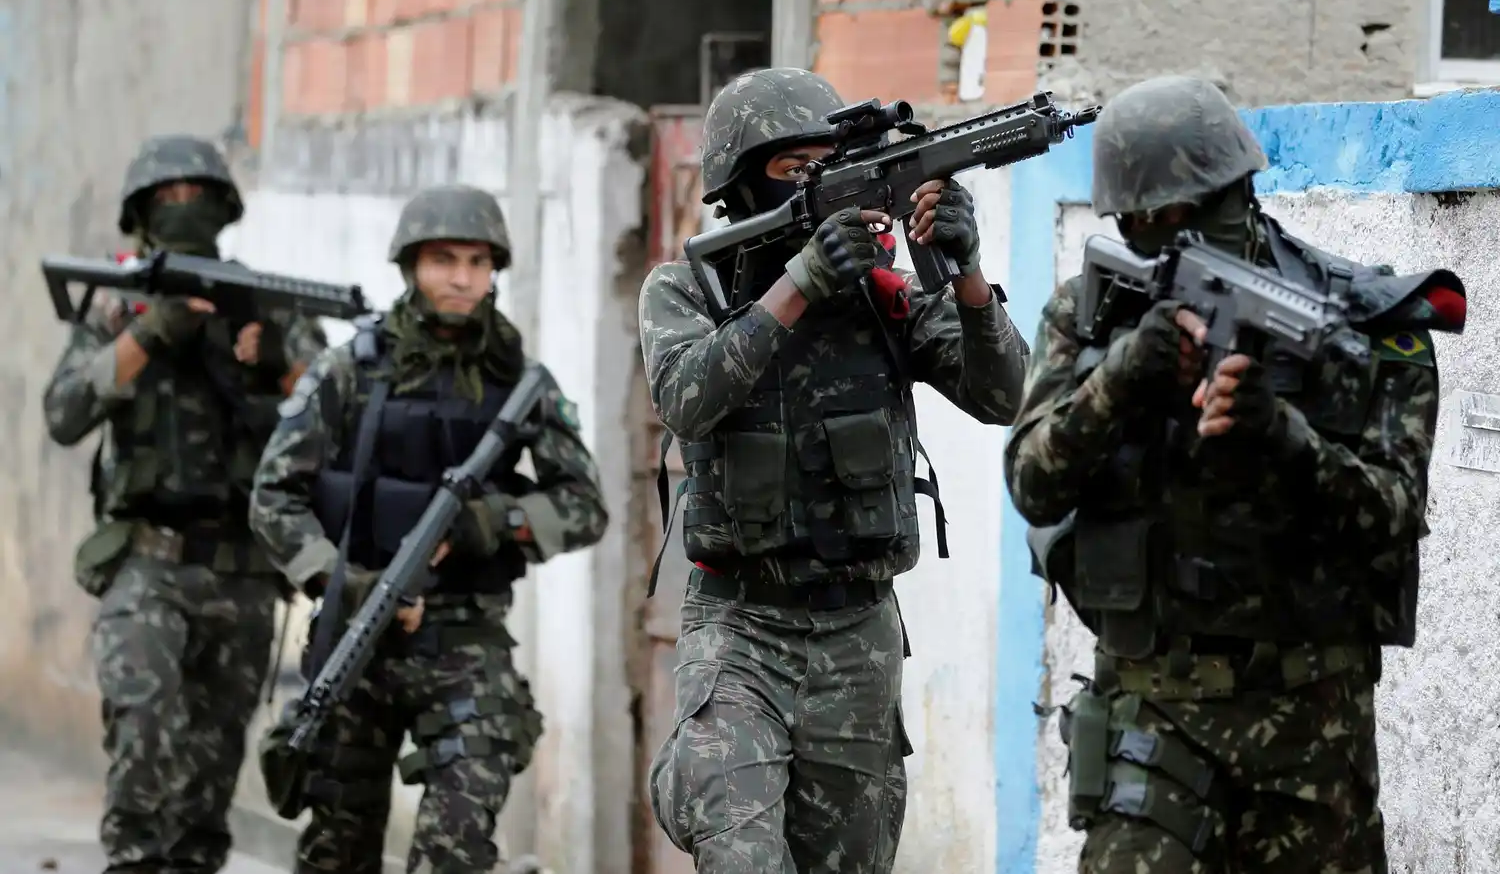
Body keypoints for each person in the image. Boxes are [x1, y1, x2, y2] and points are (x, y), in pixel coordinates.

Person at [1004, 75, 1468, 873]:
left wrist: (1279, 433)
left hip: (1309, 729)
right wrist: (1123, 375)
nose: (1168, 238)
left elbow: (1392, 514)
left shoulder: (1362, 322)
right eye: (1144, 224)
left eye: (1187, 214)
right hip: (1152, 715)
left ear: (1242, 192)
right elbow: (1033, 483)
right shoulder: (1094, 311)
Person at [640, 67, 1031, 873]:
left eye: (833, 164)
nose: (822, 184)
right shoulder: (687, 288)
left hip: (858, 633)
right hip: (740, 626)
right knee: (742, 856)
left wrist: (965, 272)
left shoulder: (885, 291)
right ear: (741, 185)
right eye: (794, 170)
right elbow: (686, 396)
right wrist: (798, 285)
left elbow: (1007, 394)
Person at [248, 183, 609, 874]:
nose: (463, 277)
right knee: (336, 852)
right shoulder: (349, 371)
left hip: (467, 645)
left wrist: (493, 520)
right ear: (411, 264)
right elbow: (273, 496)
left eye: (478, 261)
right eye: (444, 258)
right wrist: (339, 579)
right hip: (356, 640)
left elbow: (586, 504)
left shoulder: (521, 382)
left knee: (455, 849)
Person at [42, 134, 328, 874]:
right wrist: (149, 331)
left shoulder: (261, 301)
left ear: (223, 207)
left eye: (196, 195)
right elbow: (66, 410)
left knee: (209, 776)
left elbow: (336, 409)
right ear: (141, 212)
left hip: (241, 570)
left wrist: (272, 361)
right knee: (141, 726)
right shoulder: (117, 300)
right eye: (166, 198)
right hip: (147, 560)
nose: (183, 208)